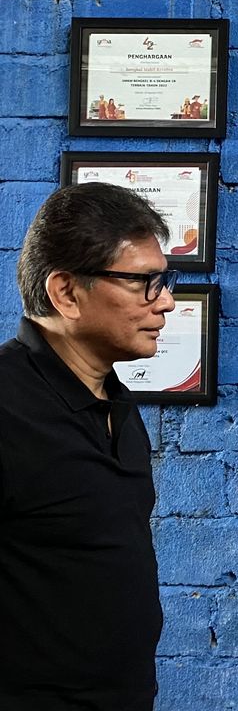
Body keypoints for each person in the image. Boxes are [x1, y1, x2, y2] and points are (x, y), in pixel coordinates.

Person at [0, 183, 177, 709]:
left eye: (163, 281)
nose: (165, 301)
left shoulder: (114, 401)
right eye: (142, 282)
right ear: (66, 293)